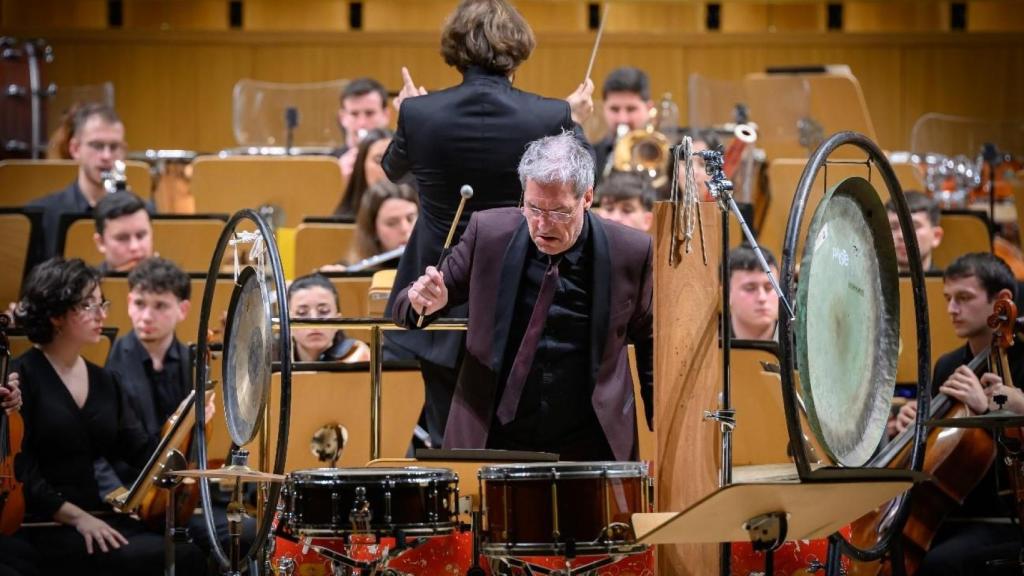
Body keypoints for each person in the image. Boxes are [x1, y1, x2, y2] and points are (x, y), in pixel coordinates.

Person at [382, 0, 594, 448]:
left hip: (436, 286)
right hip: (520, 286)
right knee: (521, 429)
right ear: (518, 49)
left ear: (455, 48)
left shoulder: (419, 113)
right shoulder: (549, 115)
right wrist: (574, 123)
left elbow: (392, 170)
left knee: (447, 433)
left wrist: (409, 112)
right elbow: (585, 182)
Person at [394, 132, 653, 461]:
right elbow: (407, 308)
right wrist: (422, 303)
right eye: (533, 208)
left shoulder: (630, 251)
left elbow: (651, 339)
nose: (543, 225)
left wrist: (662, 420)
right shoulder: (488, 234)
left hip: (589, 439)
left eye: (559, 212)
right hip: (495, 434)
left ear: (587, 197)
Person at [9, 258, 204, 575]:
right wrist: (78, 518)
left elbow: (139, 450)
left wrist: (186, 425)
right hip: (43, 522)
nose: (101, 314)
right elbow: (23, 473)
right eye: (88, 305)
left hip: (97, 512)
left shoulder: (104, 381)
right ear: (56, 314)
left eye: (102, 303)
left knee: (187, 553)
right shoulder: (21, 378)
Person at [891, 253, 1022, 574]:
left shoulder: (1020, 362)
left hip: (1004, 517)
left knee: (941, 564)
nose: (951, 309)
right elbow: (942, 451)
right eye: (948, 298)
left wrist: (986, 410)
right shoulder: (948, 365)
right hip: (949, 513)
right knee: (887, 548)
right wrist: (916, 425)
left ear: (1001, 300)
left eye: (964, 298)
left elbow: (1008, 425)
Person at [27, 104, 130, 260]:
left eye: (114, 147)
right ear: (75, 149)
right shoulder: (44, 214)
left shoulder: (142, 212)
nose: (107, 156)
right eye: (97, 146)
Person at [288, 273, 371, 363]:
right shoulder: (276, 357)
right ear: (287, 322)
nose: (314, 321)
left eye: (324, 311)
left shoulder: (357, 355)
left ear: (338, 320)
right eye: (302, 312)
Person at [593, 67, 655, 185]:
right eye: (614, 109)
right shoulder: (591, 157)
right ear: (604, 108)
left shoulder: (667, 157)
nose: (622, 119)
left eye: (631, 109)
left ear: (649, 109)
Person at [336, 78, 391, 181]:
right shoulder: (330, 163)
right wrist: (336, 178)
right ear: (342, 118)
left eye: (370, 113)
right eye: (354, 114)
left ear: (386, 115)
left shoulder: (402, 166)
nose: (362, 123)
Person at [333, 128, 393, 218]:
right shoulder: (340, 221)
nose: (387, 169)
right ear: (361, 165)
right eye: (378, 160)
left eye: (394, 161)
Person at [92, 192, 153, 273]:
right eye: (122, 238)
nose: (135, 247)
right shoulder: (90, 281)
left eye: (141, 236)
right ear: (101, 242)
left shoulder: (168, 279)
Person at [886, 191, 944, 273]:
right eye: (893, 227)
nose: (901, 236)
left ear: (936, 236)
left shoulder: (946, 281)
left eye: (913, 227)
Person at [729, 245, 779, 341]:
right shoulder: (709, 343)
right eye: (750, 288)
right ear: (727, 294)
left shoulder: (800, 342)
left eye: (769, 288)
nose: (762, 298)